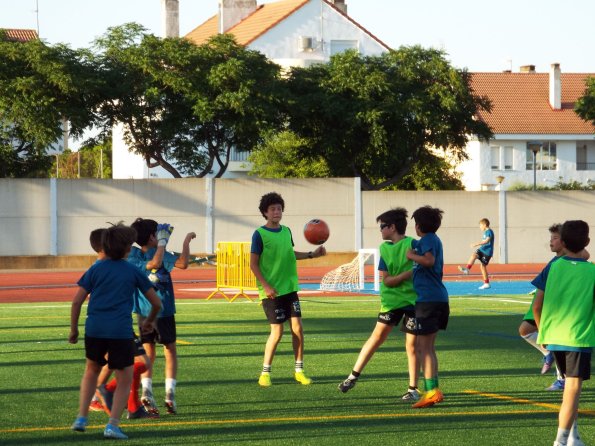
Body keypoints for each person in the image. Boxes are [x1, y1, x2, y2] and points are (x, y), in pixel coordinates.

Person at [70, 223, 161, 440]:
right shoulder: (132, 270)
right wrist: (148, 321)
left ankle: (81, 417)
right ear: (126, 248)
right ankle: (112, 425)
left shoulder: (95, 268)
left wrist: (73, 329)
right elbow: (156, 303)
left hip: (94, 328)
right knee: (124, 378)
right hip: (119, 331)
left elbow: (77, 301)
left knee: (91, 371)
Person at [338, 208, 419, 401]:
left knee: (412, 346)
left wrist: (401, 277)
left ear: (392, 227)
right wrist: (405, 276)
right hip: (391, 301)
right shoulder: (384, 248)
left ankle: (413, 389)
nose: (380, 230)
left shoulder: (413, 244)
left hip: (414, 301)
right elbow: (387, 280)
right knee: (376, 337)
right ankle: (352, 376)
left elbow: (425, 265)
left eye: (382, 226)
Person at [250, 192, 326, 387]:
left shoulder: (287, 231)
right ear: (265, 213)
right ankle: (265, 373)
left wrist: (312, 254)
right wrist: (266, 286)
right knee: (277, 332)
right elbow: (253, 264)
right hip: (272, 291)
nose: (277, 212)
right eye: (273, 209)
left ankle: (299, 370)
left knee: (298, 328)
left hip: (290, 288)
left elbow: (290, 254)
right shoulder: (259, 234)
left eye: (279, 208)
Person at [534, 220, 594, 446]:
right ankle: (560, 440)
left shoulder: (553, 266)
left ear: (563, 242)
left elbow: (537, 306)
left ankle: (573, 437)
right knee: (573, 388)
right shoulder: (592, 271)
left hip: (554, 337)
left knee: (570, 389)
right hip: (578, 338)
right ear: (587, 242)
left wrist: (543, 334)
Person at [128, 218, 196, 415]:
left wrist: (180, 243)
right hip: (163, 310)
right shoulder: (158, 253)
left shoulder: (133, 254)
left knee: (149, 353)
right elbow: (181, 263)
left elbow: (178, 263)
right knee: (170, 350)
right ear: (152, 237)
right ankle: (169, 394)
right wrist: (171, 243)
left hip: (142, 312)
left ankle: (147, 391)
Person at [406, 206, 449, 408]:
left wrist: (411, 256)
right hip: (435, 298)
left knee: (425, 348)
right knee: (427, 348)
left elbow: (429, 261)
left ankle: (432, 391)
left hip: (429, 300)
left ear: (418, 225)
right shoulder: (428, 241)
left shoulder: (429, 239)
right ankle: (433, 389)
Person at [519, 224, 565, 390]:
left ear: (565, 241)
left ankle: (562, 379)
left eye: (555, 238)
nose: (551, 241)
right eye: (550, 238)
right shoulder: (556, 260)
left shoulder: (563, 262)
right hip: (541, 305)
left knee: (556, 340)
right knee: (525, 330)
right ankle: (549, 355)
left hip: (550, 308)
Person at [458, 218, 494, 290]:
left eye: (480, 225)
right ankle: (467, 269)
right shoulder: (486, 232)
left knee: (482, 267)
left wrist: (476, 244)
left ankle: (486, 283)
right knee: (474, 255)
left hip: (487, 252)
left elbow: (487, 241)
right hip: (482, 250)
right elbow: (484, 241)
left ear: (484, 225)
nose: (480, 227)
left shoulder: (489, 231)